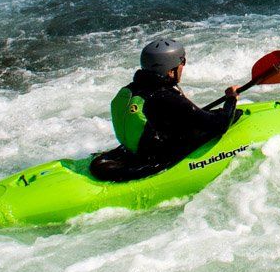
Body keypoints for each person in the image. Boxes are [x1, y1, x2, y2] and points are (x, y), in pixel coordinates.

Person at [91, 39, 243, 181]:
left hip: (135, 151)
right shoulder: (165, 96)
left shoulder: (130, 90)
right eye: (182, 62)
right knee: (227, 118)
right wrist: (231, 99)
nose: (183, 66)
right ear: (170, 70)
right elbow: (220, 125)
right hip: (155, 160)